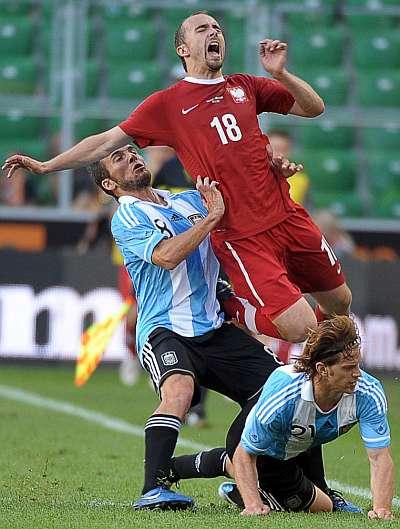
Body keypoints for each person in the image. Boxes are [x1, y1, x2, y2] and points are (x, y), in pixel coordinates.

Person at [2, 11, 352, 345]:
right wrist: (48, 166)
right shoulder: (167, 104)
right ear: (183, 49)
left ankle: (329, 372)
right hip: (241, 234)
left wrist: (281, 74)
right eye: (201, 29)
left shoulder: (245, 85)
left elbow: (313, 107)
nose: (214, 32)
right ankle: (230, 306)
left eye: (216, 27)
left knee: (341, 303)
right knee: (301, 327)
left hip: (287, 214)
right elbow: (105, 142)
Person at [87, 144, 285, 511]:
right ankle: (154, 487)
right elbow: (165, 256)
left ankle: (249, 473)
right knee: (179, 391)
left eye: (131, 151)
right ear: (109, 185)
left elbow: (240, 193)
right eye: (118, 159)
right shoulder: (127, 216)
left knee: (281, 391)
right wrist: (211, 219)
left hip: (213, 327)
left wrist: (272, 172)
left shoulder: (188, 199)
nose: (131, 157)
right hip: (164, 328)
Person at [223, 315, 395, 519]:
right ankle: (224, 466)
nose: (357, 374)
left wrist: (382, 508)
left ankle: (274, 489)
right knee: (320, 506)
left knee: (325, 500)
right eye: (348, 368)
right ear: (322, 369)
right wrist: (253, 504)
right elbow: (245, 452)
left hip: (303, 443)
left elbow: (379, 456)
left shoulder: (368, 392)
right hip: (255, 446)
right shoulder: (286, 393)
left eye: (357, 365)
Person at [268, 128, 310, 206]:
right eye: (271, 149)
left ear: (289, 151)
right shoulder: (253, 174)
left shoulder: (301, 180)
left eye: (280, 149)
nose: (276, 154)